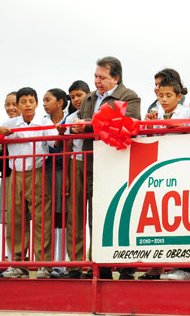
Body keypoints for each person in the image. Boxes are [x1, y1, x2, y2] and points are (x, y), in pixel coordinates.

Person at [73, 56, 141, 279]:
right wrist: (77, 129)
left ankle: (126, 268)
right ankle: (101, 265)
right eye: (95, 76)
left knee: (124, 212)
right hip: (93, 161)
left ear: (116, 78)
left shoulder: (130, 97)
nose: (97, 81)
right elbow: (84, 127)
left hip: (119, 162)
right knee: (96, 213)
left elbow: (128, 124)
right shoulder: (89, 99)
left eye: (102, 77)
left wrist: (94, 125)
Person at [0, 87, 57, 279]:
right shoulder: (10, 123)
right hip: (16, 174)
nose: (27, 105)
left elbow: (55, 142)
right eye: (23, 101)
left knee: (42, 219)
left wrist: (60, 131)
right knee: (16, 221)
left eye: (31, 101)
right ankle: (18, 264)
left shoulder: (44, 121)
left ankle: (44, 264)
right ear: (18, 105)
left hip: (38, 172)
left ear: (36, 104)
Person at [142, 72, 190, 281]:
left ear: (178, 96)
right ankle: (162, 266)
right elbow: (149, 139)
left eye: (168, 96)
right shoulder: (154, 112)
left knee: (184, 220)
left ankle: (187, 269)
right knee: (163, 221)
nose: (163, 99)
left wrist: (170, 124)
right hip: (161, 173)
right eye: (161, 95)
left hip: (182, 170)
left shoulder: (186, 111)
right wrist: (148, 125)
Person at [57, 80, 91, 279]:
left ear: (89, 95)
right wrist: (68, 177)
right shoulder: (69, 118)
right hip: (76, 164)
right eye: (73, 97)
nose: (77, 100)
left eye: (80, 95)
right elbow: (67, 148)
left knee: (95, 217)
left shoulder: (95, 114)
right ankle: (75, 265)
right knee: (75, 217)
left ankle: (95, 262)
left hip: (95, 162)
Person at [43, 88, 69, 279]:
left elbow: (62, 143)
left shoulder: (68, 120)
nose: (44, 104)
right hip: (45, 169)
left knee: (62, 213)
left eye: (47, 100)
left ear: (60, 102)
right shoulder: (42, 121)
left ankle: (62, 262)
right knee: (48, 215)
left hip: (61, 170)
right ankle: (50, 262)